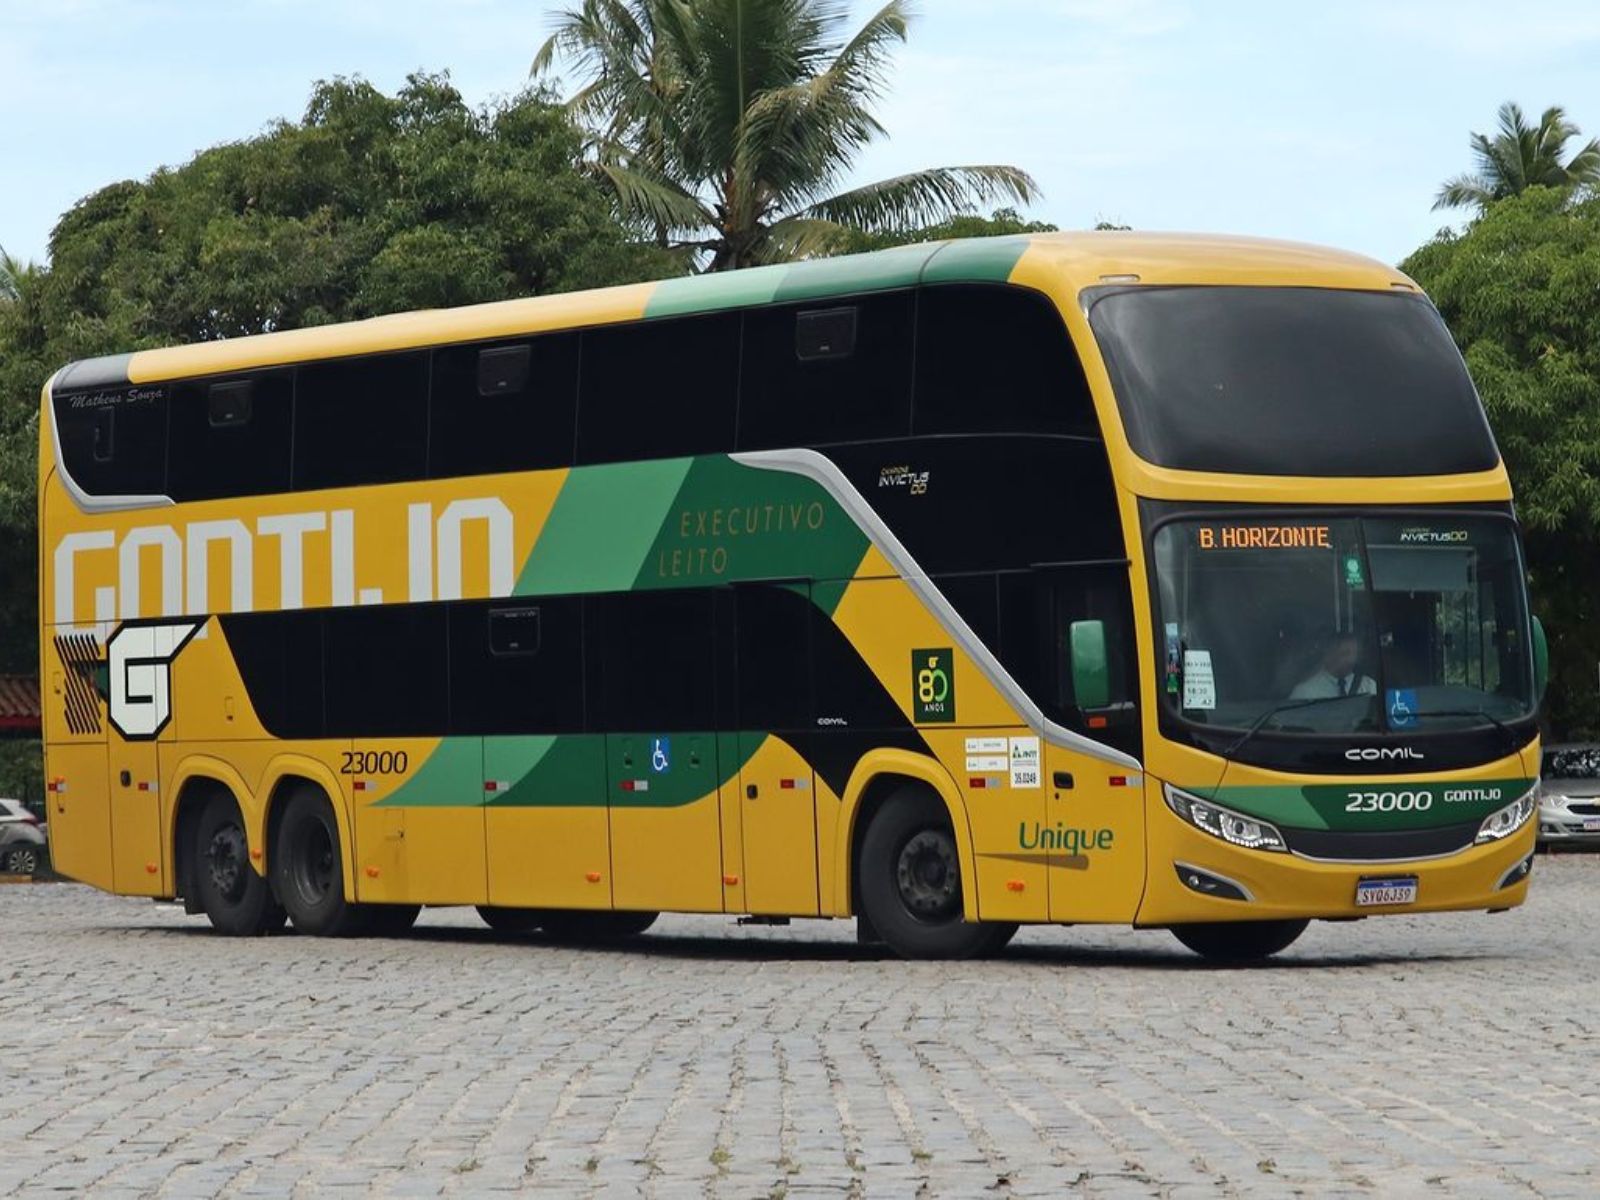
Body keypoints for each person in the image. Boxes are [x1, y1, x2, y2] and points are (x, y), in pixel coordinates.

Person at [1290, 631, 1375, 699]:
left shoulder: (1368, 685)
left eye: (1355, 654)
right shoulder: (1305, 691)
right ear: (1329, 655)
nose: (1351, 659)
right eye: (1345, 653)